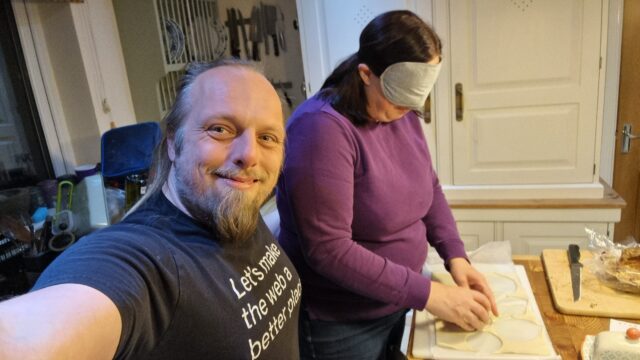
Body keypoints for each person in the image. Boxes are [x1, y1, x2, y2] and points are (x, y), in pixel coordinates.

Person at [0, 59, 302, 359]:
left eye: (267, 137)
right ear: (172, 142)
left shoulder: (233, 204)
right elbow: (31, 334)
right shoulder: (146, 261)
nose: (249, 154)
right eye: (220, 129)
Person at [276, 10, 498, 360]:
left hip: (399, 303)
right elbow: (329, 250)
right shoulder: (321, 130)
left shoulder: (400, 113)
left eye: (413, 103)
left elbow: (429, 189)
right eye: (398, 101)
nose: (407, 112)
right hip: (342, 324)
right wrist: (430, 295)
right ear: (365, 74)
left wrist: (456, 257)